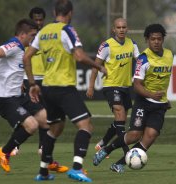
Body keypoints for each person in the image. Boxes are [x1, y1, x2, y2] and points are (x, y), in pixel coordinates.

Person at [23, 0, 107, 182]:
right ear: (70, 13)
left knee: (55, 129)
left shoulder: (43, 32)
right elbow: (79, 56)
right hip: (64, 87)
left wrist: (32, 84)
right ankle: (77, 167)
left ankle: (43, 172)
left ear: (54, 12)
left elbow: (27, 56)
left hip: (47, 88)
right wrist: (98, 66)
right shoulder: (67, 30)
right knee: (86, 126)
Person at [93, 23, 173, 171]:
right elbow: (137, 85)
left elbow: (162, 79)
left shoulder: (169, 55)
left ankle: (119, 164)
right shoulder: (143, 59)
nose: (156, 42)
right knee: (135, 134)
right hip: (144, 102)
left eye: (159, 39)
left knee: (150, 136)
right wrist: (152, 95)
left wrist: (164, 99)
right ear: (147, 40)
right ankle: (106, 149)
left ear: (163, 40)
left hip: (160, 105)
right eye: (153, 39)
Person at [0, 19, 55, 180]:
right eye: (32, 35)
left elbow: (12, 69)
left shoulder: (21, 49)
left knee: (46, 119)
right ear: (22, 34)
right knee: (31, 125)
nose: (33, 39)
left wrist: (21, 84)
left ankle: (47, 163)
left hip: (18, 96)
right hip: (5, 99)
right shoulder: (14, 45)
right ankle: (4, 152)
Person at [12, 7, 69, 174]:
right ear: (30, 20)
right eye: (35, 20)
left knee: (46, 115)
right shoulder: (25, 38)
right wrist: (20, 78)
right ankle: (14, 145)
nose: (38, 22)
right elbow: (18, 57)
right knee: (28, 115)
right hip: (28, 79)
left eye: (40, 19)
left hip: (45, 79)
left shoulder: (46, 35)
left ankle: (42, 147)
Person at [86, 18, 140, 173]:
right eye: (119, 27)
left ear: (127, 29)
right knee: (120, 114)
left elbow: (141, 60)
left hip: (126, 87)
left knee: (120, 121)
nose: (121, 29)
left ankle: (103, 144)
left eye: (124, 27)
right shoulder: (106, 45)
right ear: (113, 30)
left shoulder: (132, 44)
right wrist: (90, 86)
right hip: (111, 86)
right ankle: (125, 155)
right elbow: (96, 66)